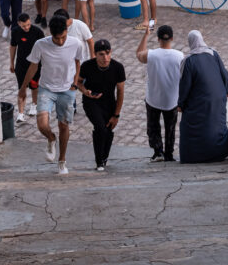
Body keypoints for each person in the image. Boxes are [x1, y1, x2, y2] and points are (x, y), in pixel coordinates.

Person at [19, 16, 85, 175]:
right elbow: (33, 66)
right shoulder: (40, 45)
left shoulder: (76, 43)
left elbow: (77, 62)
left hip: (67, 90)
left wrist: (75, 84)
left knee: (64, 125)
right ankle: (51, 138)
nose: (61, 41)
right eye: (57, 38)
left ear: (67, 31)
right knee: (42, 124)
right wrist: (23, 88)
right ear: (51, 34)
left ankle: (62, 161)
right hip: (46, 88)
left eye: (63, 37)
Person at [177, 30, 228, 164]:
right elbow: (224, 73)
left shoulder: (189, 61)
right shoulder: (214, 53)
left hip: (200, 100)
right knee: (215, 123)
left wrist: (181, 104)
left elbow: (185, 85)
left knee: (190, 125)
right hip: (218, 98)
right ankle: (219, 152)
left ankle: (193, 157)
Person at [76, 39, 125, 171]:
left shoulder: (118, 68)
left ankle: (104, 158)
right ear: (95, 54)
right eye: (101, 54)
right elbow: (78, 82)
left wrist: (116, 114)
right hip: (91, 101)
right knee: (100, 127)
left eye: (108, 53)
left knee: (108, 130)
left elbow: (120, 92)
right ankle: (99, 161)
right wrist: (85, 91)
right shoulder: (87, 66)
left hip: (109, 102)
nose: (105, 57)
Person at [136, 24, 183, 162]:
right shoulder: (179, 56)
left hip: (153, 99)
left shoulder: (151, 55)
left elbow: (139, 54)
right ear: (172, 38)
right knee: (171, 128)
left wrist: (145, 36)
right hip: (172, 100)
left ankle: (158, 152)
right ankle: (169, 153)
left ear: (158, 39)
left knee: (153, 127)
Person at [9, 13, 45, 121]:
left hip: (35, 64)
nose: (27, 27)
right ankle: (21, 114)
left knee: (34, 86)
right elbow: (13, 46)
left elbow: (44, 48)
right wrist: (11, 62)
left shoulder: (37, 32)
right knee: (21, 88)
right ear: (19, 24)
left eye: (28, 24)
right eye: (24, 26)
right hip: (21, 64)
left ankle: (34, 105)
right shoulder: (15, 32)